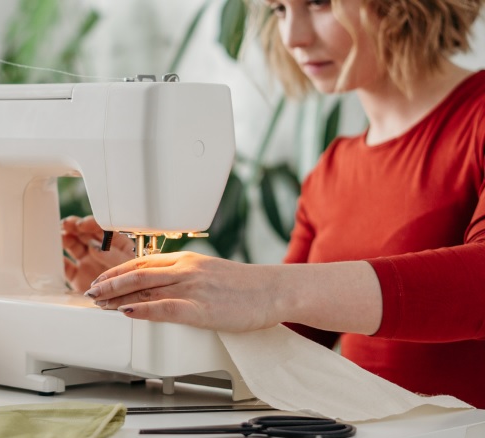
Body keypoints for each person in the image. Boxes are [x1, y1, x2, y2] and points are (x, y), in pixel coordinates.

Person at [61, 0, 485, 408]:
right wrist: (147, 295)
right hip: (373, 433)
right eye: (280, 9)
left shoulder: (476, 118)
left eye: (319, 3)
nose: (293, 37)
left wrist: (269, 288)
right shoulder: (332, 170)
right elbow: (285, 343)